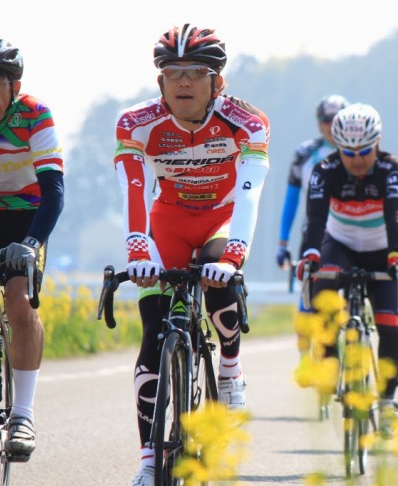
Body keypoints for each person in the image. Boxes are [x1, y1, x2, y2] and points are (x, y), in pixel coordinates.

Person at [112, 25, 270, 485]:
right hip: (170, 218)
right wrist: (138, 246)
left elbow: (249, 193)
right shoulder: (135, 122)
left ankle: (230, 368)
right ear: (159, 81)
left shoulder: (248, 122)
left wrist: (234, 256)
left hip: (221, 217)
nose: (183, 82)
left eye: (196, 73)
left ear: (217, 81)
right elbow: (135, 187)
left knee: (220, 290)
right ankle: (147, 460)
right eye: (172, 72)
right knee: (153, 330)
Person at [295, 103, 398, 439]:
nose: (357, 159)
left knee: (391, 325)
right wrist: (310, 254)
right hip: (341, 244)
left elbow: (395, 215)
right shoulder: (325, 169)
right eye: (348, 151)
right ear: (337, 147)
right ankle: (330, 361)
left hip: (381, 248)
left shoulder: (391, 169)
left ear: (378, 143)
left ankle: (387, 402)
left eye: (365, 151)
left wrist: (397, 255)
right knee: (323, 291)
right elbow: (315, 219)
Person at [0, 37, 64, 462]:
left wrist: (32, 243)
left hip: (25, 214)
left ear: (14, 86)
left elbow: (54, 191)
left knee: (19, 301)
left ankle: (22, 414)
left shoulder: (35, 115)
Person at [275, 94, 349, 273]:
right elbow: (291, 200)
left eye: (337, 120)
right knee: (309, 286)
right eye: (326, 120)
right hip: (315, 226)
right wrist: (283, 243)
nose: (331, 126)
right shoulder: (304, 153)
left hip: (350, 227)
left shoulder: (358, 152)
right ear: (318, 123)